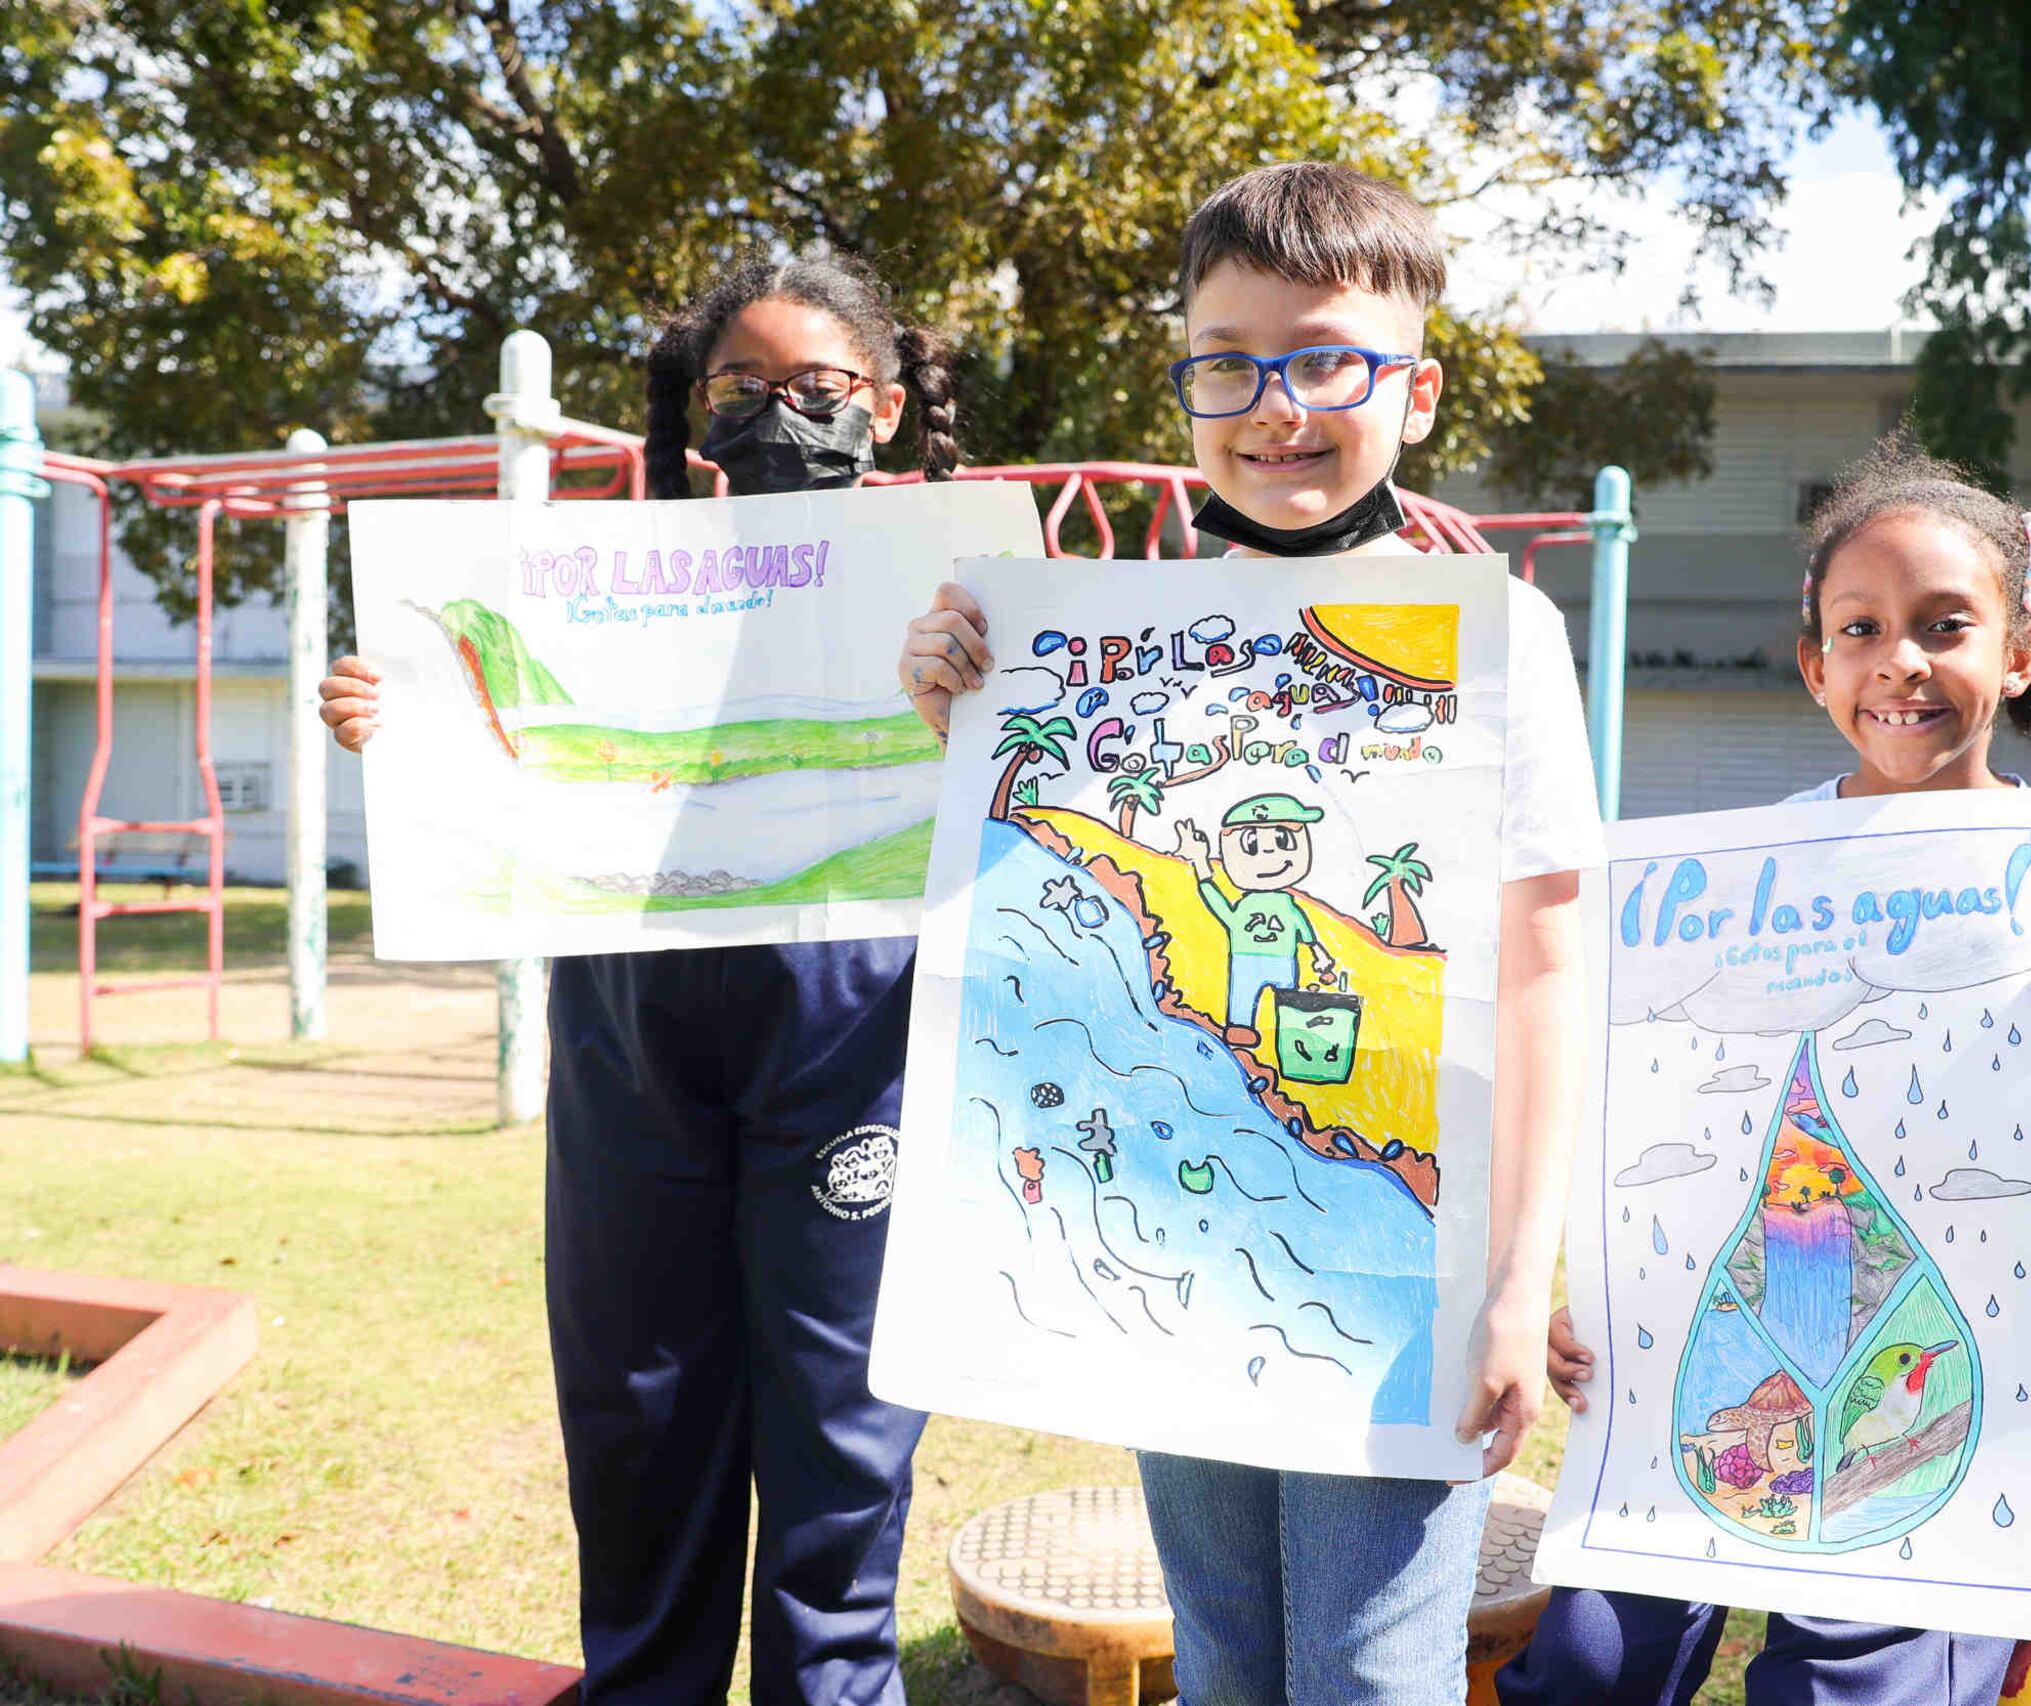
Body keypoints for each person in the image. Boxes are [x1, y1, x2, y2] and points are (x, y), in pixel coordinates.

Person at [897, 161, 1605, 1706]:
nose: (1278, 404)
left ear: (1414, 391)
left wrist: (1512, 1277)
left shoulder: (1502, 635)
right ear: (1187, 388)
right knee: (1222, 1654)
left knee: (1369, 1666)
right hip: (1192, 1250)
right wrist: (962, 705)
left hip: (1407, 1265)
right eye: (1230, 362)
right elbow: (1003, 915)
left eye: (1328, 359)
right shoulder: (1095, 638)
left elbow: (1551, 961)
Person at [317, 252, 960, 1705]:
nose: (781, 413)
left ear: (888, 407)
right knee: (640, 1397)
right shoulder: (585, 582)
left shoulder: (960, 586)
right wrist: (394, 711)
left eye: (820, 388)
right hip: (630, 1019)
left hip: (857, 1027)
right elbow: (498, 731)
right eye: (744, 387)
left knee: (843, 1423)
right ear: (694, 409)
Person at [1499, 434, 2031, 1706]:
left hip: (1931, 1411)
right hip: (1716, 1381)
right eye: (1863, 628)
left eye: (1945, 625)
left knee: (1849, 1689)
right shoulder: (1727, 878)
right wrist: (1611, 1302)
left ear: (2021, 652)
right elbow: (1668, 1136)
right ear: (1816, 661)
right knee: (1589, 1669)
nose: (1902, 662)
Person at [1174, 791, 1343, 1043]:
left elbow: (1304, 930)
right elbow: (1220, 908)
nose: (1267, 852)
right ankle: (1241, 1028)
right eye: (1251, 843)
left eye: (1283, 839)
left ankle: (1292, 1035)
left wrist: (1319, 954)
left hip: (1283, 960)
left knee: (1288, 1004)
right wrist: (1200, 862)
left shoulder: (1287, 905)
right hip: (1245, 960)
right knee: (1242, 998)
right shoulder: (1245, 907)